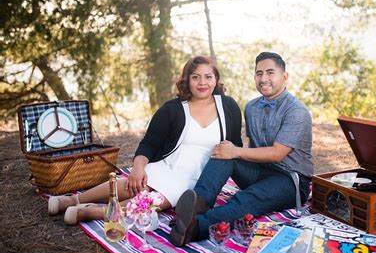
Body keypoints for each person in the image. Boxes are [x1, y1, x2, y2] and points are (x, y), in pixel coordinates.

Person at [48, 56, 242, 224]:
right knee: (135, 185)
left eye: (208, 77)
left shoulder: (228, 107)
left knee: (155, 201)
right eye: (195, 77)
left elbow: (235, 147)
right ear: (187, 80)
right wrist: (138, 168)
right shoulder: (172, 109)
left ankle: (93, 212)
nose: (202, 82)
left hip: (200, 176)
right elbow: (149, 143)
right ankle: (75, 200)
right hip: (169, 165)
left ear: (216, 80)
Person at [170, 52, 313, 247]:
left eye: (270, 73)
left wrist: (236, 151)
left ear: (284, 77)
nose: (263, 79)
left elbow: (277, 153)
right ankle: (196, 208)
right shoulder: (252, 107)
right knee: (223, 152)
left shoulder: (297, 111)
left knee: (245, 198)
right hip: (261, 170)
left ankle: (194, 227)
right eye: (259, 73)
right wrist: (231, 152)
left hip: (290, 180)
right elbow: (252, 150)